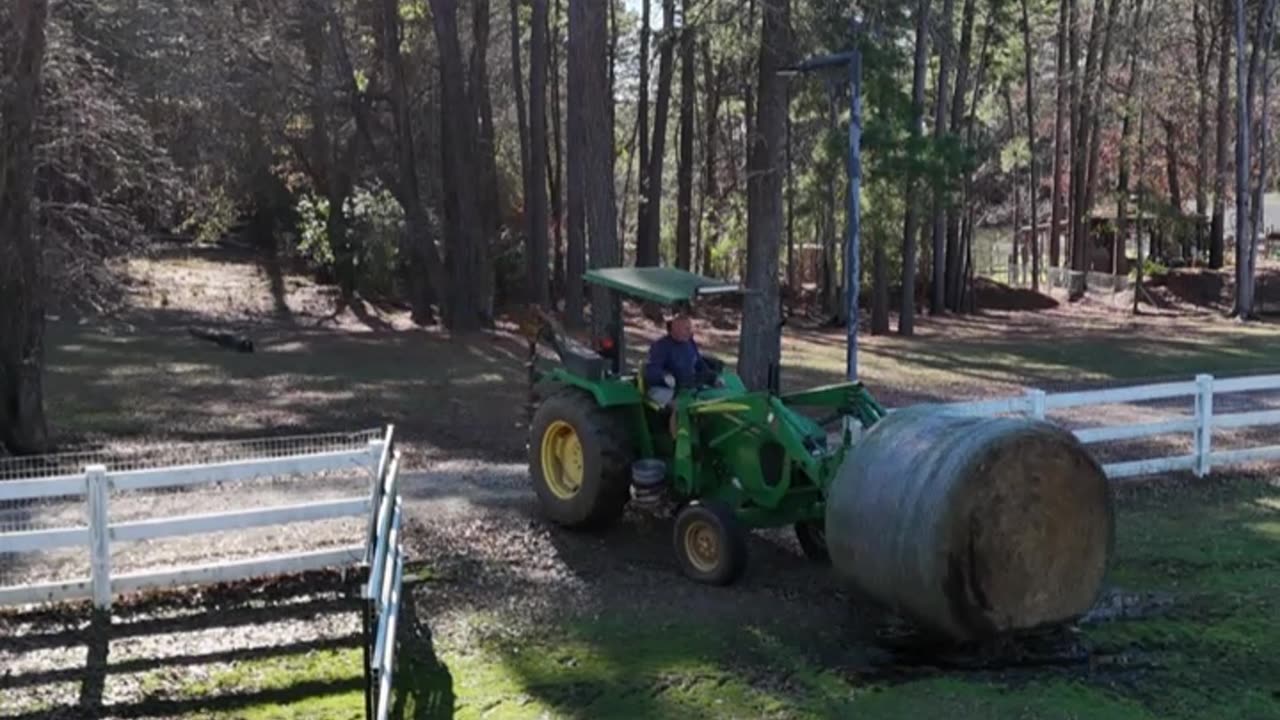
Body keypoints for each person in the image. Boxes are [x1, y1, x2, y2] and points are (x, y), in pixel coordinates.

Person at [644, 312, 713, 410]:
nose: (689, 332)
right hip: (665, 388)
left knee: (707, 400)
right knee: (680, 406)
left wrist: (712, 377)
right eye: (686, 329)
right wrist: (664, 376)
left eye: (690, 328)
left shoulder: (689, 342)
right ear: (675, 329)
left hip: (687, 386)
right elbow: (652, 370)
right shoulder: (660, 346)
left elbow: (698, 362)